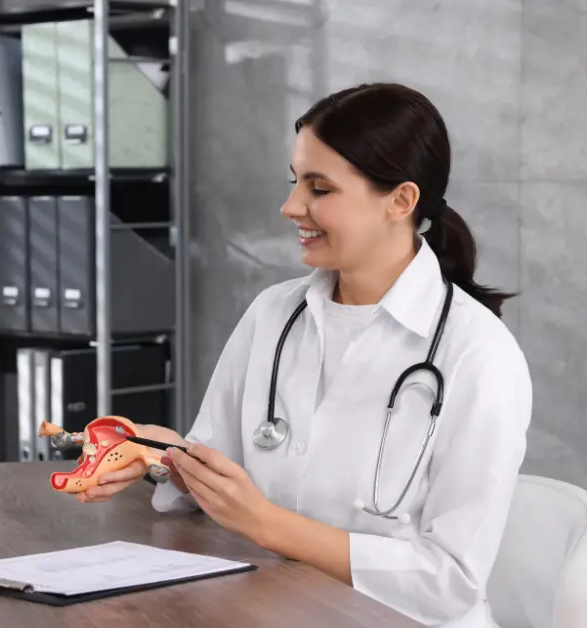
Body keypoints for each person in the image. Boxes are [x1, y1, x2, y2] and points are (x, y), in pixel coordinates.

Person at [77, 83, 531, 627]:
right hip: (275, 608)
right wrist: (161, 453)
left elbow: (449, 581)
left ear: (401, 200)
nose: (291, 206)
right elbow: (220, 469)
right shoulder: (274, 314)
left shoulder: (477, 354)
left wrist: (267, 524)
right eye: (296, 182)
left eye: (320, 188)